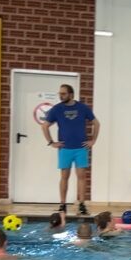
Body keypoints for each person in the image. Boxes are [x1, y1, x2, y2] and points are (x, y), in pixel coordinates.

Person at [42, 83, 100, 216]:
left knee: (81, 177)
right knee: (64, 177)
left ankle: (81, 204)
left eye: (63, 93)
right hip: (65, 149)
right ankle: (62, 205)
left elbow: (96, 123)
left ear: (71, 94)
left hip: (81, 149)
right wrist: (51, 142)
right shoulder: (56, 109)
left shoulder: (83, 108)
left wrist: (93, 141)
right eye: (60, 93)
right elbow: (45, 126)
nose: (60, 96)